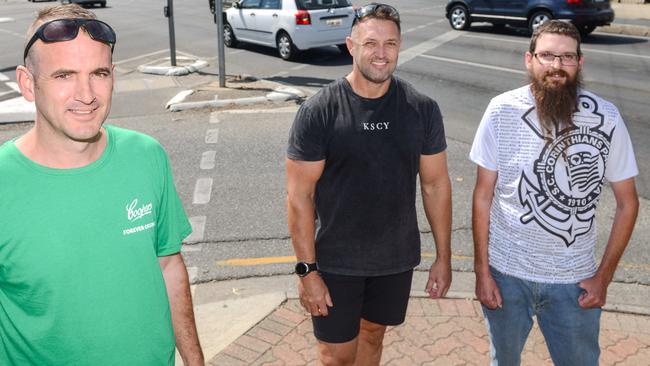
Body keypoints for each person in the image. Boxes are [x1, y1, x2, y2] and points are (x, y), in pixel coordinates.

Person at [0, 5, 204, 365]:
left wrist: (195, 360)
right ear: (28, 84)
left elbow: (168, 266)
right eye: (64, 75)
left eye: (99, 73)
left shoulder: (147, 156)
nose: (87, 94)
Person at [286, 3, 452, 365]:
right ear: (350, 45)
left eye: (390, 44)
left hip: (394, 260)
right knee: (337, 356)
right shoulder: (319, 111)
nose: (381, 54)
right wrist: (307, 272)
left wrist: (444, 256)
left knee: (373, 339)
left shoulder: (421, 109)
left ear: (399, 46)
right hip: (335, 263)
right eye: (370, 43)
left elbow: (436, 185)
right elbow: (300, 196)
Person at [470, 20, 639, 365]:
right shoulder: (501, 111)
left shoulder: (606, 117)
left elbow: (628, 203)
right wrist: (482, 272)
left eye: (567, 57)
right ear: (528, 59)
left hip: (573, 282)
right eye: (547, 55)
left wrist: (603, 277)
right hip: (506, 276)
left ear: (580, 62)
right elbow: (482, 196)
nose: (556, 66)